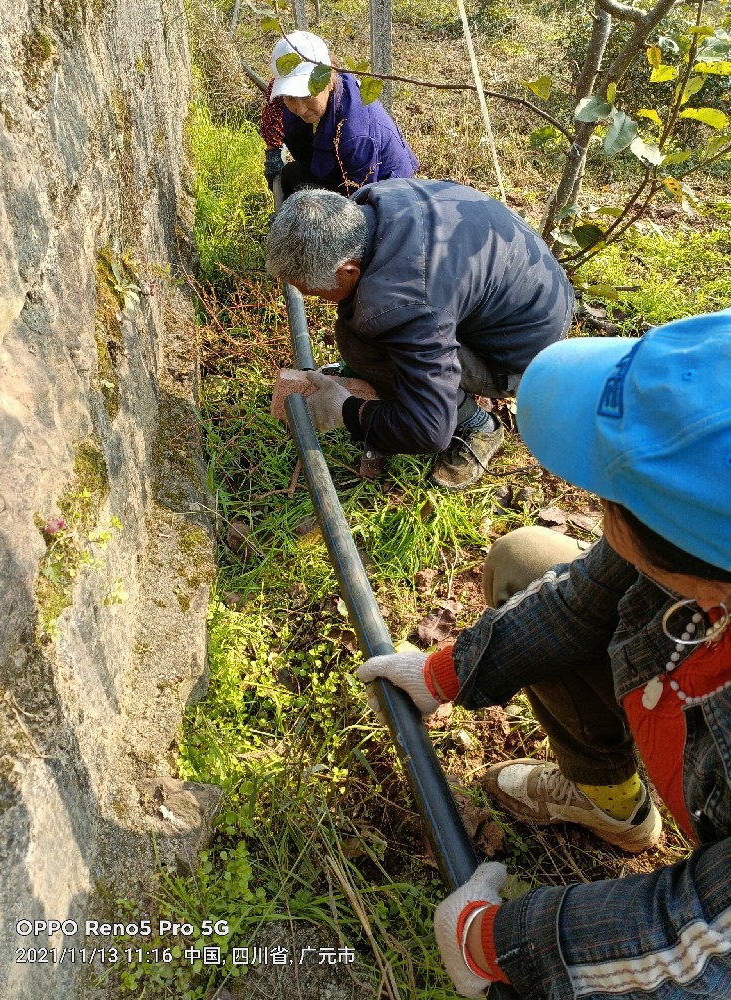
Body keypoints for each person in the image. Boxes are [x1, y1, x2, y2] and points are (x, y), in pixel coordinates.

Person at [357, 308, 731, 997]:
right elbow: (582, 597)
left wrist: (506, 943)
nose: (596, 500)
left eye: (616, 499)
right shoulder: (705, 538)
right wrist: (446, 672)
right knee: (528, 560)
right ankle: (613, 804)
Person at [266, 180, 574, 489]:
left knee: (367, 341)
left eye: (315, 293)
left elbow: (429, 430)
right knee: (360, 330)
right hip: (538, 286)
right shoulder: (372, 205)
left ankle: (477, 424)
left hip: (523, 354)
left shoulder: (409, 299)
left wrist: (347, 411)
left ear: (349, 270)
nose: (313, 298)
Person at [260, 31, 419, 199]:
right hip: (345, 171)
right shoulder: (331, 85)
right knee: (292, 174)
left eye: (307, 96)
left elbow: (360, 205)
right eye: (290, 98)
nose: (300, 109)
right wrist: (272, 148)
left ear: (328, 81)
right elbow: (274, 108)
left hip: (386, 191)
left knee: (304, 196)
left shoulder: (356, 137)